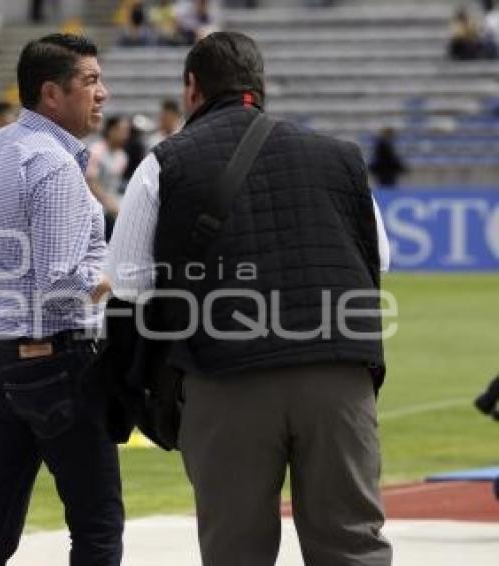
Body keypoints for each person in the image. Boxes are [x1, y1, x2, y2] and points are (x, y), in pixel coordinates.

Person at [107, 31, 392, 565]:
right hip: (338, 372)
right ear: (260, 87)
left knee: (236, 548)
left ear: (192, 88)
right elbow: (380, 257)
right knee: (353, 544)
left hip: (225, 375)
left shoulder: (165, 162)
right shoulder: (341, 158)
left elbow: (128, 282)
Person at [0, 33, 123, 565]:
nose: (103, 93)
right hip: (57, 361)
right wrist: (126, 268)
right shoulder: (54, 165)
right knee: (97, 526)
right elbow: (61, 286)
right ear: (51, 93)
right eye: (90, 81)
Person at [86, 115, 130, 239]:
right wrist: (110, 204)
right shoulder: (96, 151)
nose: (125, 135)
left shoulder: (123, 156)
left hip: (112, 202)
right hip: (93, 205)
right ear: (111, 130)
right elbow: (91, 182)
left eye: (127, 131)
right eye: (122, 130)